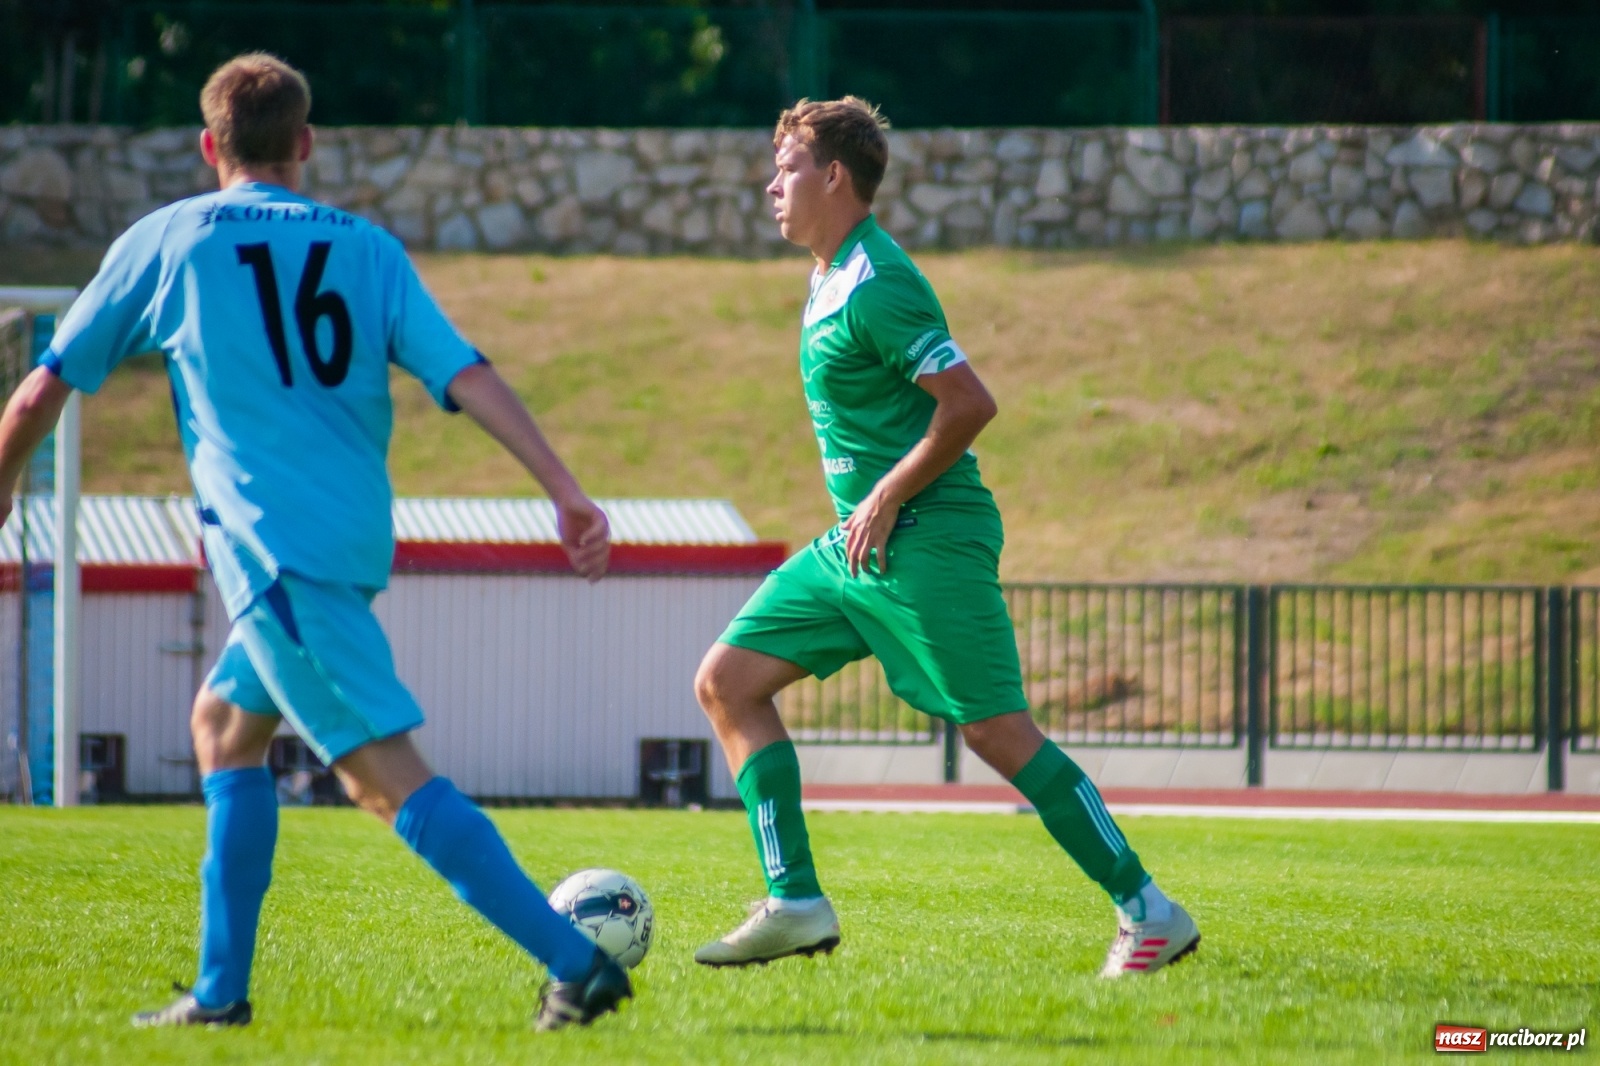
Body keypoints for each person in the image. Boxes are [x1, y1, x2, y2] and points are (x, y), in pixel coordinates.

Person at [0, 53, 631, 1031]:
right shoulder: (367, 247)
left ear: (210, 145)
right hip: (344, 542)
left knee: (381, 780)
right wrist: (563, 488)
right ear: (305, 143)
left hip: (275, 558)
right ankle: (218, 993)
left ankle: (576, 963)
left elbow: (43, 386)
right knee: (223, 725)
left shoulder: (171, 238)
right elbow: (462, 371)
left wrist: (2, 482)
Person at [691, 97, 1200, 977]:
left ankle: (1150, 911)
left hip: (927, 535)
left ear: (834, 176)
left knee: (999, 733)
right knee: (727, 683)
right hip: (857, 546)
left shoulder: (880, 282)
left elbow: (970, 404)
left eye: (786, 168)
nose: (771, 184)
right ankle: (795, 900)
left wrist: (886, 494)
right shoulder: (828, 274)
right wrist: (871, 506)